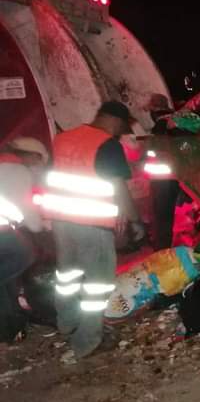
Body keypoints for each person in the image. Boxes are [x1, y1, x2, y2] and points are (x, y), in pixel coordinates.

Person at [37, 101, 145, 358]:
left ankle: (66, 322)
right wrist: (135, 221)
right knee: (98, 284)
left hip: (62, 218)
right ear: (115, 120)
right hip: (90, 222)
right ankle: (87, 341)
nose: (122, 130)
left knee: (68, 275)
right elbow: (119, 188)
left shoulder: (63, 138)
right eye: (123, 125)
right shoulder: (107, 144)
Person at [0, 138, 49, 341]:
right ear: (31, 156)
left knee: (8, 279)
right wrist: (41, 227)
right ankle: (10, 325)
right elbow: (28, 213)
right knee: (24, 256)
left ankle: (12, 324)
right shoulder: (18, 172)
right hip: (4, 234)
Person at [144, 93, 181, 249]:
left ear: (155, 111)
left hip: (163, 180)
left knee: (164, 216)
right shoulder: (178, 121)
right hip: (181, 177)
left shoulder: (159, 127)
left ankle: (164, 249)